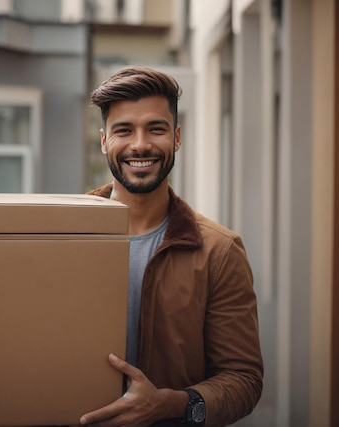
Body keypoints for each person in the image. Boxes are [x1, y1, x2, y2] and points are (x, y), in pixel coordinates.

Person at [79, 67, 263, 427]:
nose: (140, 144)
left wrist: (172, 404)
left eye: (156, 129)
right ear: (104, 141)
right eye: (124, 130)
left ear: (177, 137)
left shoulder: (219, 252)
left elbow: (244, 380)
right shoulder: (55, 237)